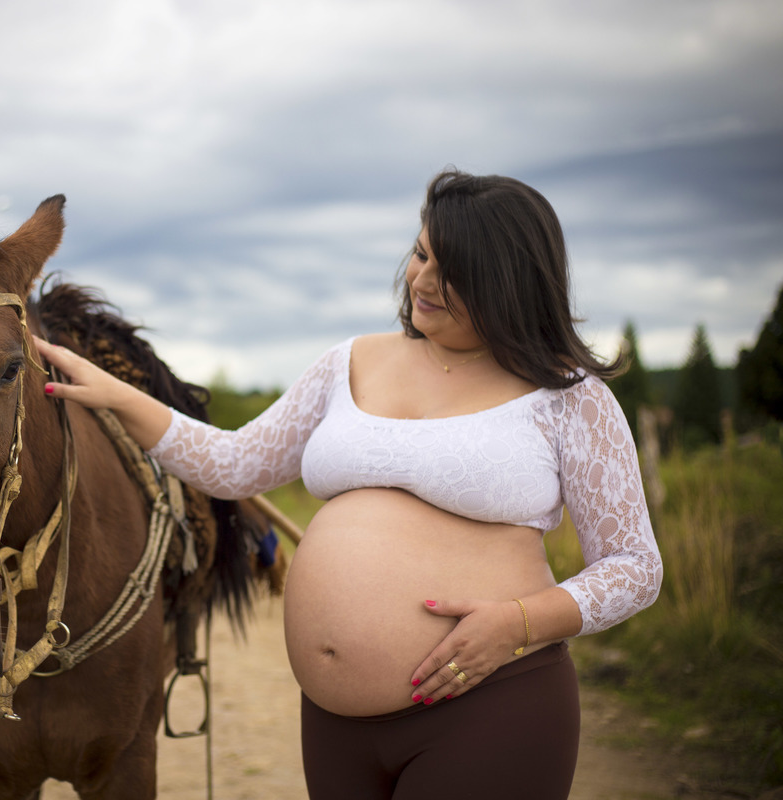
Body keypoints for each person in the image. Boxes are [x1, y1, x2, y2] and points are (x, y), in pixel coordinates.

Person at [34, 168, 662, 800]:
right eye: (421, 254)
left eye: (453, 274)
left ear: (510, 284)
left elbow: (635, 566)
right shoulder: (349, 361)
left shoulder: (568, 398)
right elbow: (233, 465)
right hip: (335, 730)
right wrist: (116, 395)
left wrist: (517, 623)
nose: (422, 280)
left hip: (488, 703)